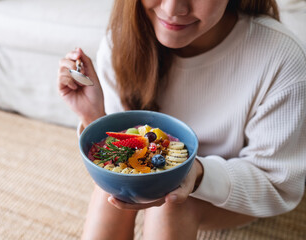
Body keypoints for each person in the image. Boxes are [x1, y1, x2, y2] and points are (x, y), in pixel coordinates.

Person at [58, 0, 306, 239]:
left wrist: (195, 174)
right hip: (151, 165)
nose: (172, 8)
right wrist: (93, 116)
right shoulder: (124, 40)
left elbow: (278, 184)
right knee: (112, 181)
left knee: (173, 201)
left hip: (233, 191)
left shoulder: (281, 58)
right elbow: (122, 144)